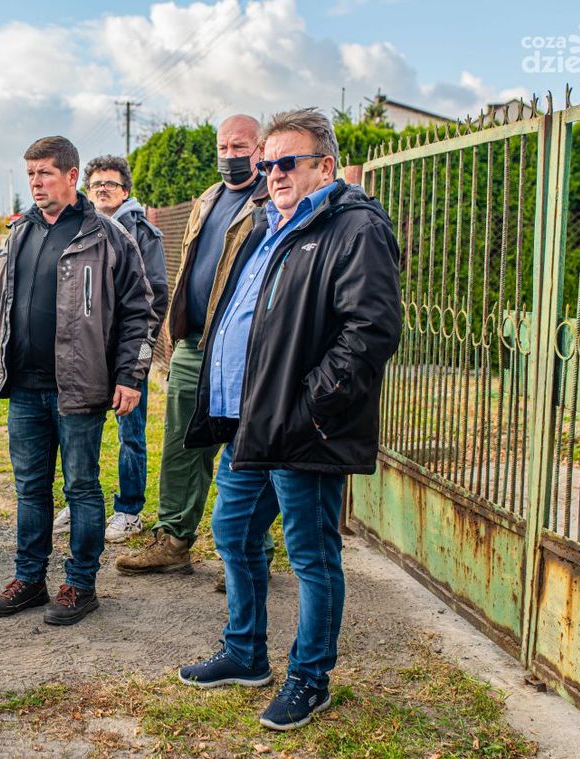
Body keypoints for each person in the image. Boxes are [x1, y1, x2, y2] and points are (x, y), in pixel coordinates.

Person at [178, 108, 401, 731]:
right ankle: (246, 653)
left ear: (324, 167)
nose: (270, 173)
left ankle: (310, 677)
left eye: (286, 163)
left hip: (301, 428)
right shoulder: (271, 224)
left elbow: (371, 331)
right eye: (266, 163)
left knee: (310, 555)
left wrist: (310, 407)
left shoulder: (352, 227)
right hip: (252, 424)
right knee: (234, 534)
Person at [0, 136, 155, 626]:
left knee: (81, 487)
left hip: (80, 387)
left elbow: (140, 312)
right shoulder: (19, 234)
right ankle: (29, 579)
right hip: (27, 389)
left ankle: (79, 585)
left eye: (44, 173)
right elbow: (1, 308)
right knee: (31, 488)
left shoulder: (108, 236)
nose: (35, 183)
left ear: (72, 177)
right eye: (30, 173)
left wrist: (130, 375)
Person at [115, 114, 275, 584]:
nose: (230, 154)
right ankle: (173, 541)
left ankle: (250, 552)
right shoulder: (209, 197)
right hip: (193, 342)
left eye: (240, 145)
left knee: (243, 448)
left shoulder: (273, 200)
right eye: (223, 146)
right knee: (182, 443)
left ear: (261, 148)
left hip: (245, 347)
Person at [51, 154, 168, 544]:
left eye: (111, 184)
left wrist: (136, 354)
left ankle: (129, 509)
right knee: (79, 431)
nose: (102, 189)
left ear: (126, 191)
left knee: (130, 433)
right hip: (85, 354)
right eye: (96, 183)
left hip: (123, 354)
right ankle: (80, 500)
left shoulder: (142, 232)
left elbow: (154, 298)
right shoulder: (75, 228)